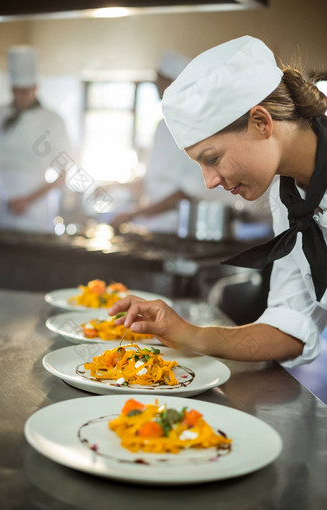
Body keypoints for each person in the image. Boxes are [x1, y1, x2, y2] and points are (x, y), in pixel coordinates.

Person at [109, 35, 327, 368]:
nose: (209, 182)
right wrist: (186, 333)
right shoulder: (287, 200)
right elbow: (290, 327)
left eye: (212, 158)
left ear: (261, 122)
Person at [111, 50, 235, 233]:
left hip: (182, 227)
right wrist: (115, 186)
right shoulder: (163, 125)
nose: (157, 85)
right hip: (153, 226)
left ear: (175, 84)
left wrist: (133, 214)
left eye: (161, 79)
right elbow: (153, 179)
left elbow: (188, 192)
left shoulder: (199, 127)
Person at [0, 46, 72, 233]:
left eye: (24, 91)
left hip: (37, 210)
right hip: (3, 208)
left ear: (35, 88)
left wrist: (27, 200)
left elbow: (63, 175)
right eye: (16, 91)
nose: (20, 97)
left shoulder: (53, 120)